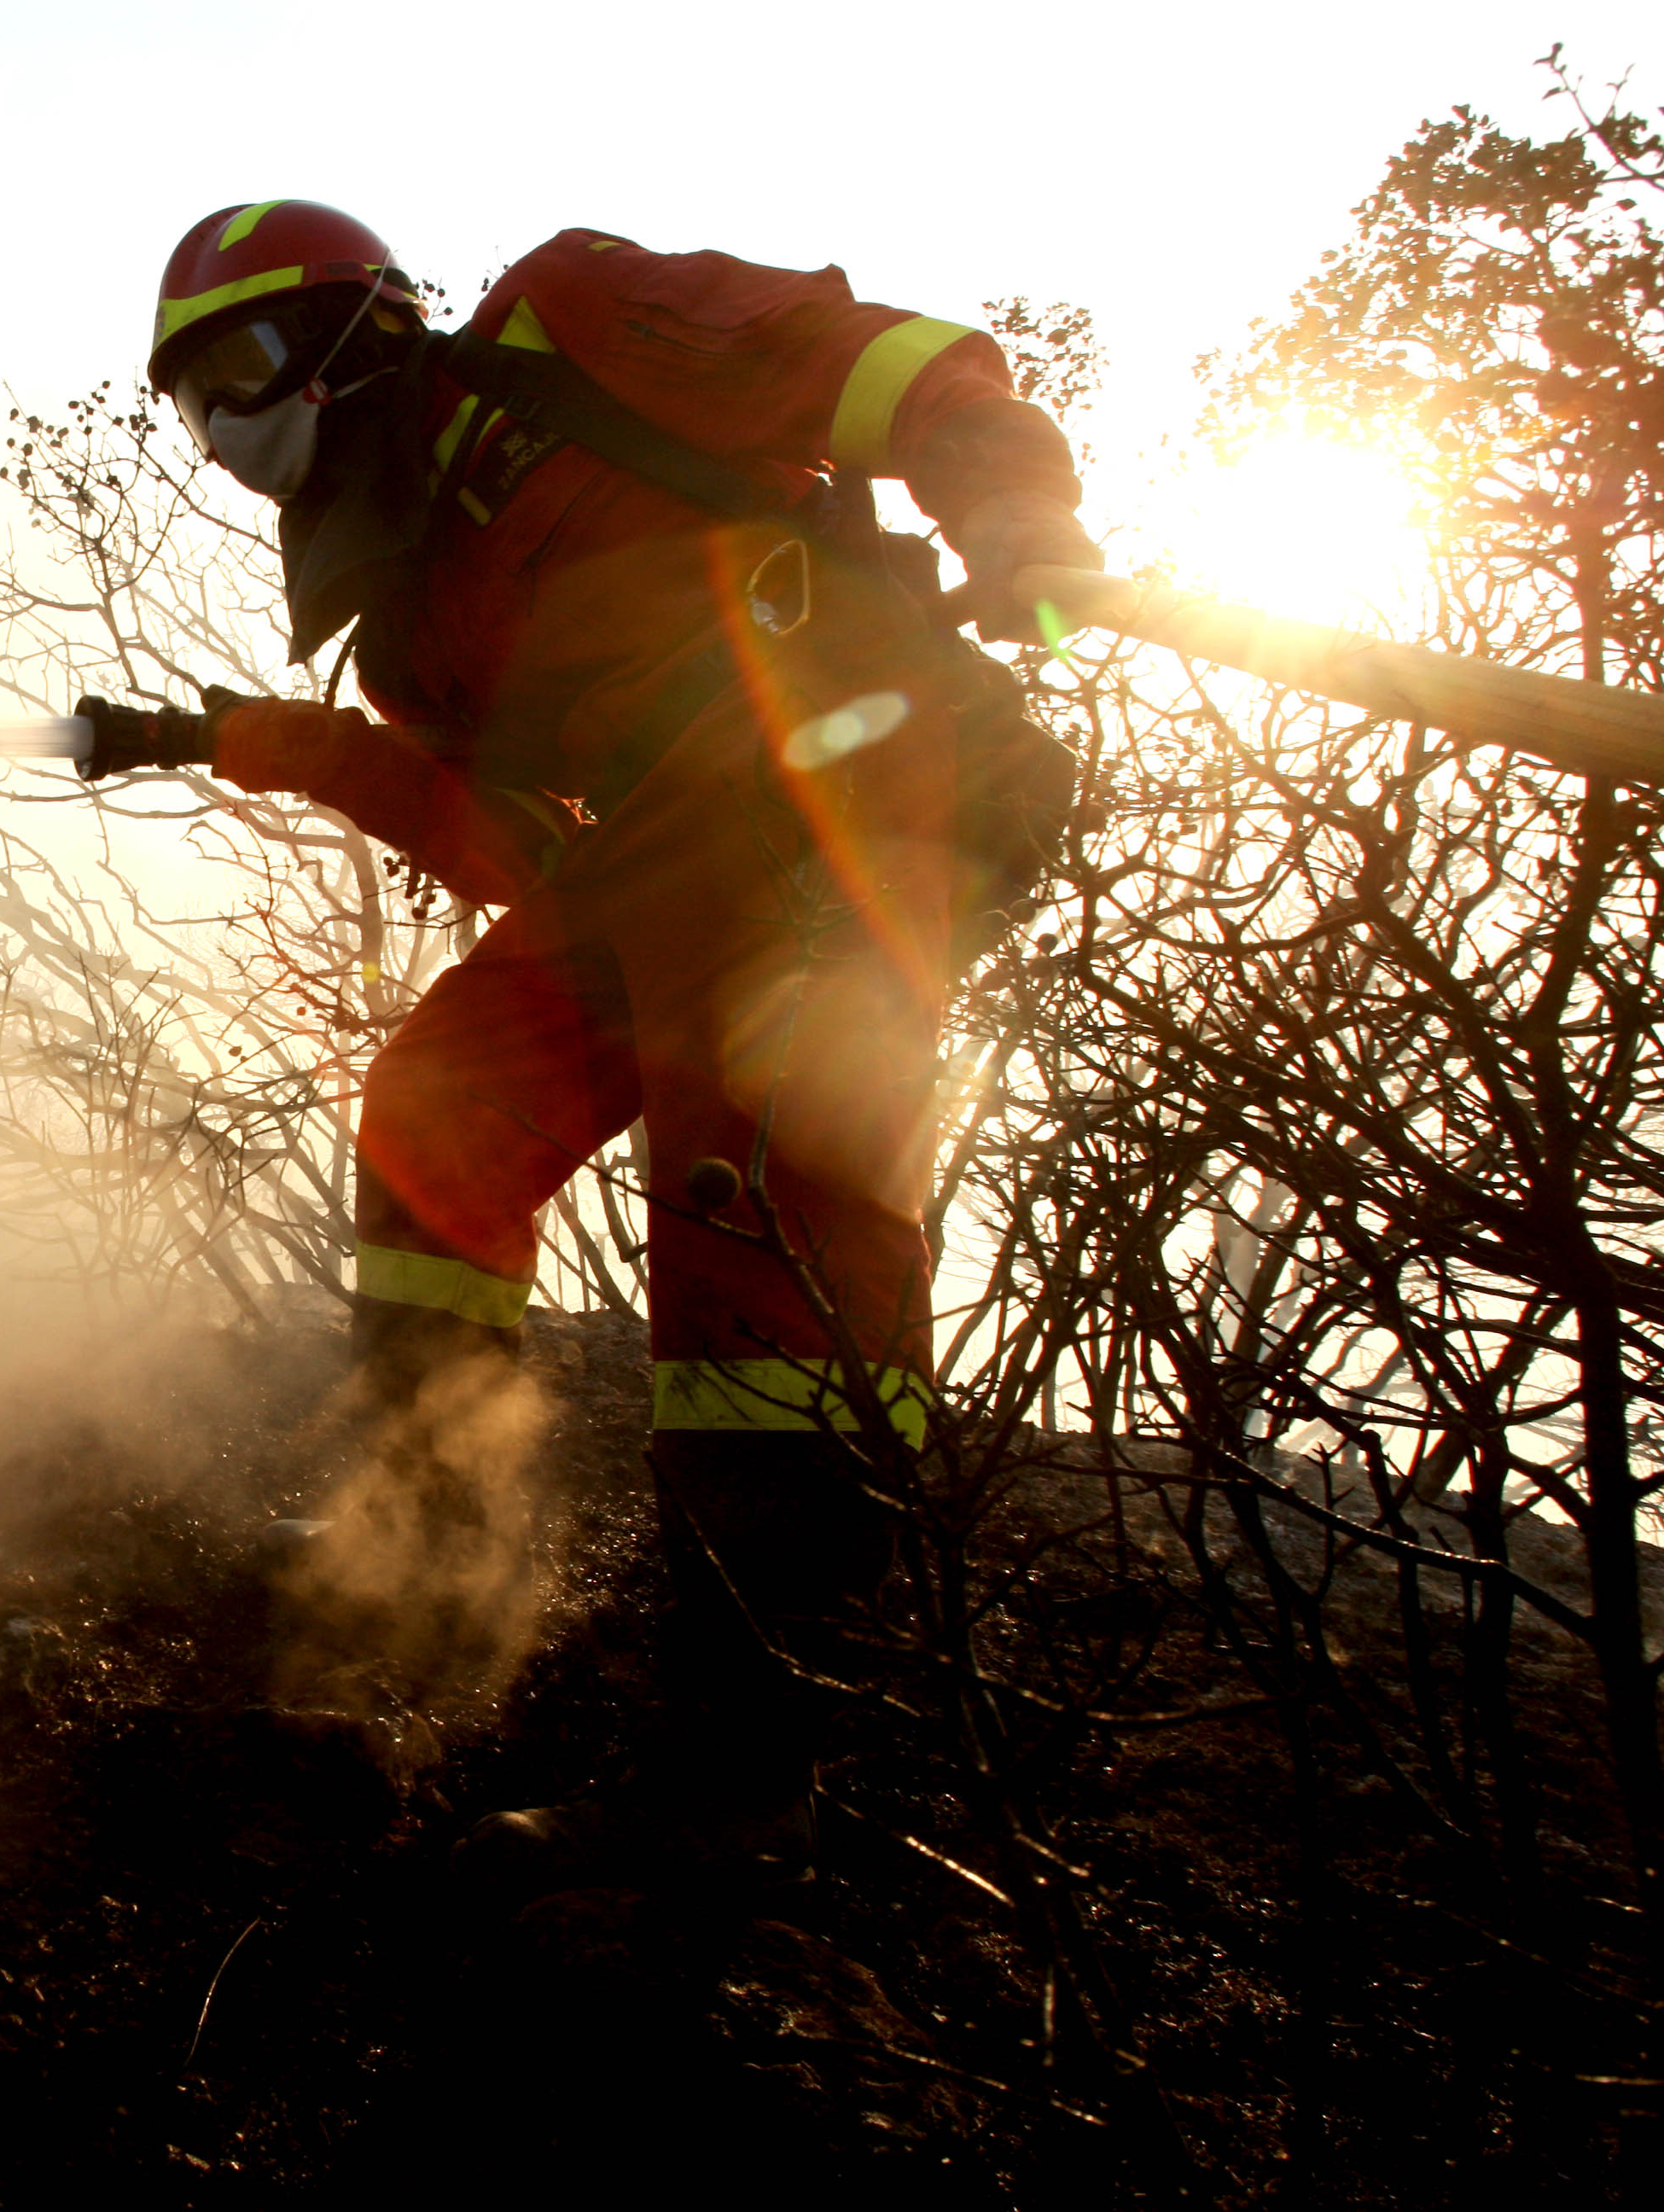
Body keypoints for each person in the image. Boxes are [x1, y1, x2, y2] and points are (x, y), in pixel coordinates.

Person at [82, 201, 1094, 1884]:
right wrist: (268, 744)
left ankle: (749, 1773)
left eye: (245, 362)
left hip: (860, 780)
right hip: (667, 845)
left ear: (358, 330)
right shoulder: (410, 610)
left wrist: (1012, 508)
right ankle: (429, 1529)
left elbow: (876, 363)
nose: (227, 424)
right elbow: (505, 844)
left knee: (753, 1198)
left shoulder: (570, 329)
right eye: (194, 403)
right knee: (444, 1103)